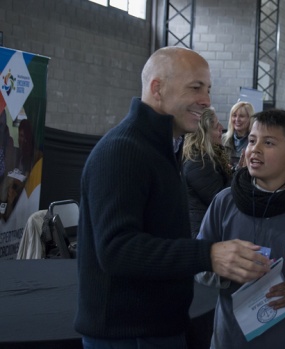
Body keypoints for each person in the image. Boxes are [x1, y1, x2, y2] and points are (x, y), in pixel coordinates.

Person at [74, 47, 270, 349]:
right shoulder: (124, 151)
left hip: (155, 327)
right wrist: (209, 255)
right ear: (158, 88)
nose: (206, 101)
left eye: (208, 89)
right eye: (195, 88)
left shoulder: (162, 149)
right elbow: (116, 250)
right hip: (128, 335)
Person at [196, 109, 285, 348]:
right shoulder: (224, 202)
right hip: (232, 339)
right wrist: (223, 269)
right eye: (252, 141)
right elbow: (197, 262)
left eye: (269, 143)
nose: (255, 149)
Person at [183, 108, 231, 238]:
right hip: (202, 232)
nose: (222, 128)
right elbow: (221, 199)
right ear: (204, 133)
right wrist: (240, 174)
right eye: (216, 126)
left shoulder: (211, 156)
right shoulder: (198, 162)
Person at [223, 101, 254, 170]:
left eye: (241, 116)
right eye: (234, 115)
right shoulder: (222, 140)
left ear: (250, 119)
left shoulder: (255, 143)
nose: (237, 119)